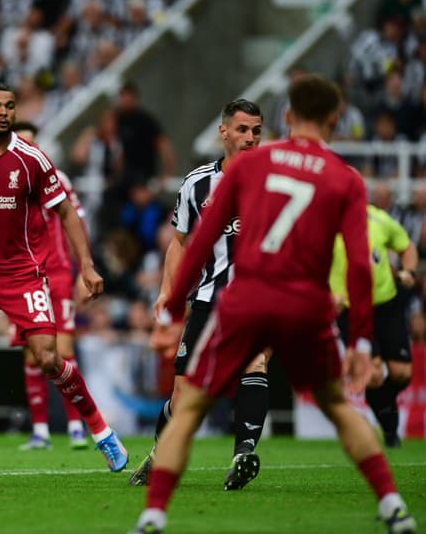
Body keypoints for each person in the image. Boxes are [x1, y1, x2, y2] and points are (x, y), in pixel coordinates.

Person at [132, 74, 417, 534]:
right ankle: (393, 508)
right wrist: (361, 340)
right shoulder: (345, 179)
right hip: (305, 304)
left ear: (285, 119)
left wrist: (167, 311)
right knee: (341, 410)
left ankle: (153, 515)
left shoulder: (252, 168)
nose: (250, 138)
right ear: (333, 120)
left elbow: (200, 241)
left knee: (192, 407)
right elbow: (361, 268)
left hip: (247, 299)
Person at [0, 82, 128, 472]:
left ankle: (103, 433)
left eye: (10, 106)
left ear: (15, 113)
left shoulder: (31, 159)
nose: (3, 112)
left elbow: (66, 212)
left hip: (23, 275)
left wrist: (86, 264)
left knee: (51, 358)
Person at [128, 99, 270, 490]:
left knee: (254, 364)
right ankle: (159, 455)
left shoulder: (274, 182)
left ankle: (243, 454)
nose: (250, 138)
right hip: (210, 299)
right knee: (184, 393)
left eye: (256, 131)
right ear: (223, 132)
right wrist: (167, 291)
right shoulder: (198, 184)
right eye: (242, 129)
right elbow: (178, 242)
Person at [10, 120, 89, 451]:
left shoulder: (57, 179)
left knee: (63, 351)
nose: (27, 150)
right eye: (22, 144)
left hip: (56, 275)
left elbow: (77, 222)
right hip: (24, 277)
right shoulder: (6, 182)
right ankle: (40, 431)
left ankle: (75, 427)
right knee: (31, 355)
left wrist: (84, 270)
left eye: (31, 143)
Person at [330, 203, 418, 449]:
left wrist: (408, 270)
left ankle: (383, 407)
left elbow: (406, 246)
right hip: (350, 308)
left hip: (385, 304)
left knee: (402, 374)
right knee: (374, 376)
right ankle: (390, 430)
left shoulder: (379, 219)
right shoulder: (326, 223)